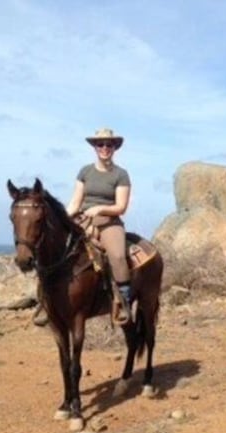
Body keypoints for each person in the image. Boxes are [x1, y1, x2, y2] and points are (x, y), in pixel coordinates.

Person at [66, 128, 133, 325]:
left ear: (114, 148)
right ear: (95, 147)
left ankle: (123, 301)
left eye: (108, 145)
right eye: (100, 144)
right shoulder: (85, 171)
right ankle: (48, 300)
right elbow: (75, 202)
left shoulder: (121, 175)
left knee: (118, 256)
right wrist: (65, 218)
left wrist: (100, 209)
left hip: (109, 222)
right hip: (83, 219)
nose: (104, 148)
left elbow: (121, 207)